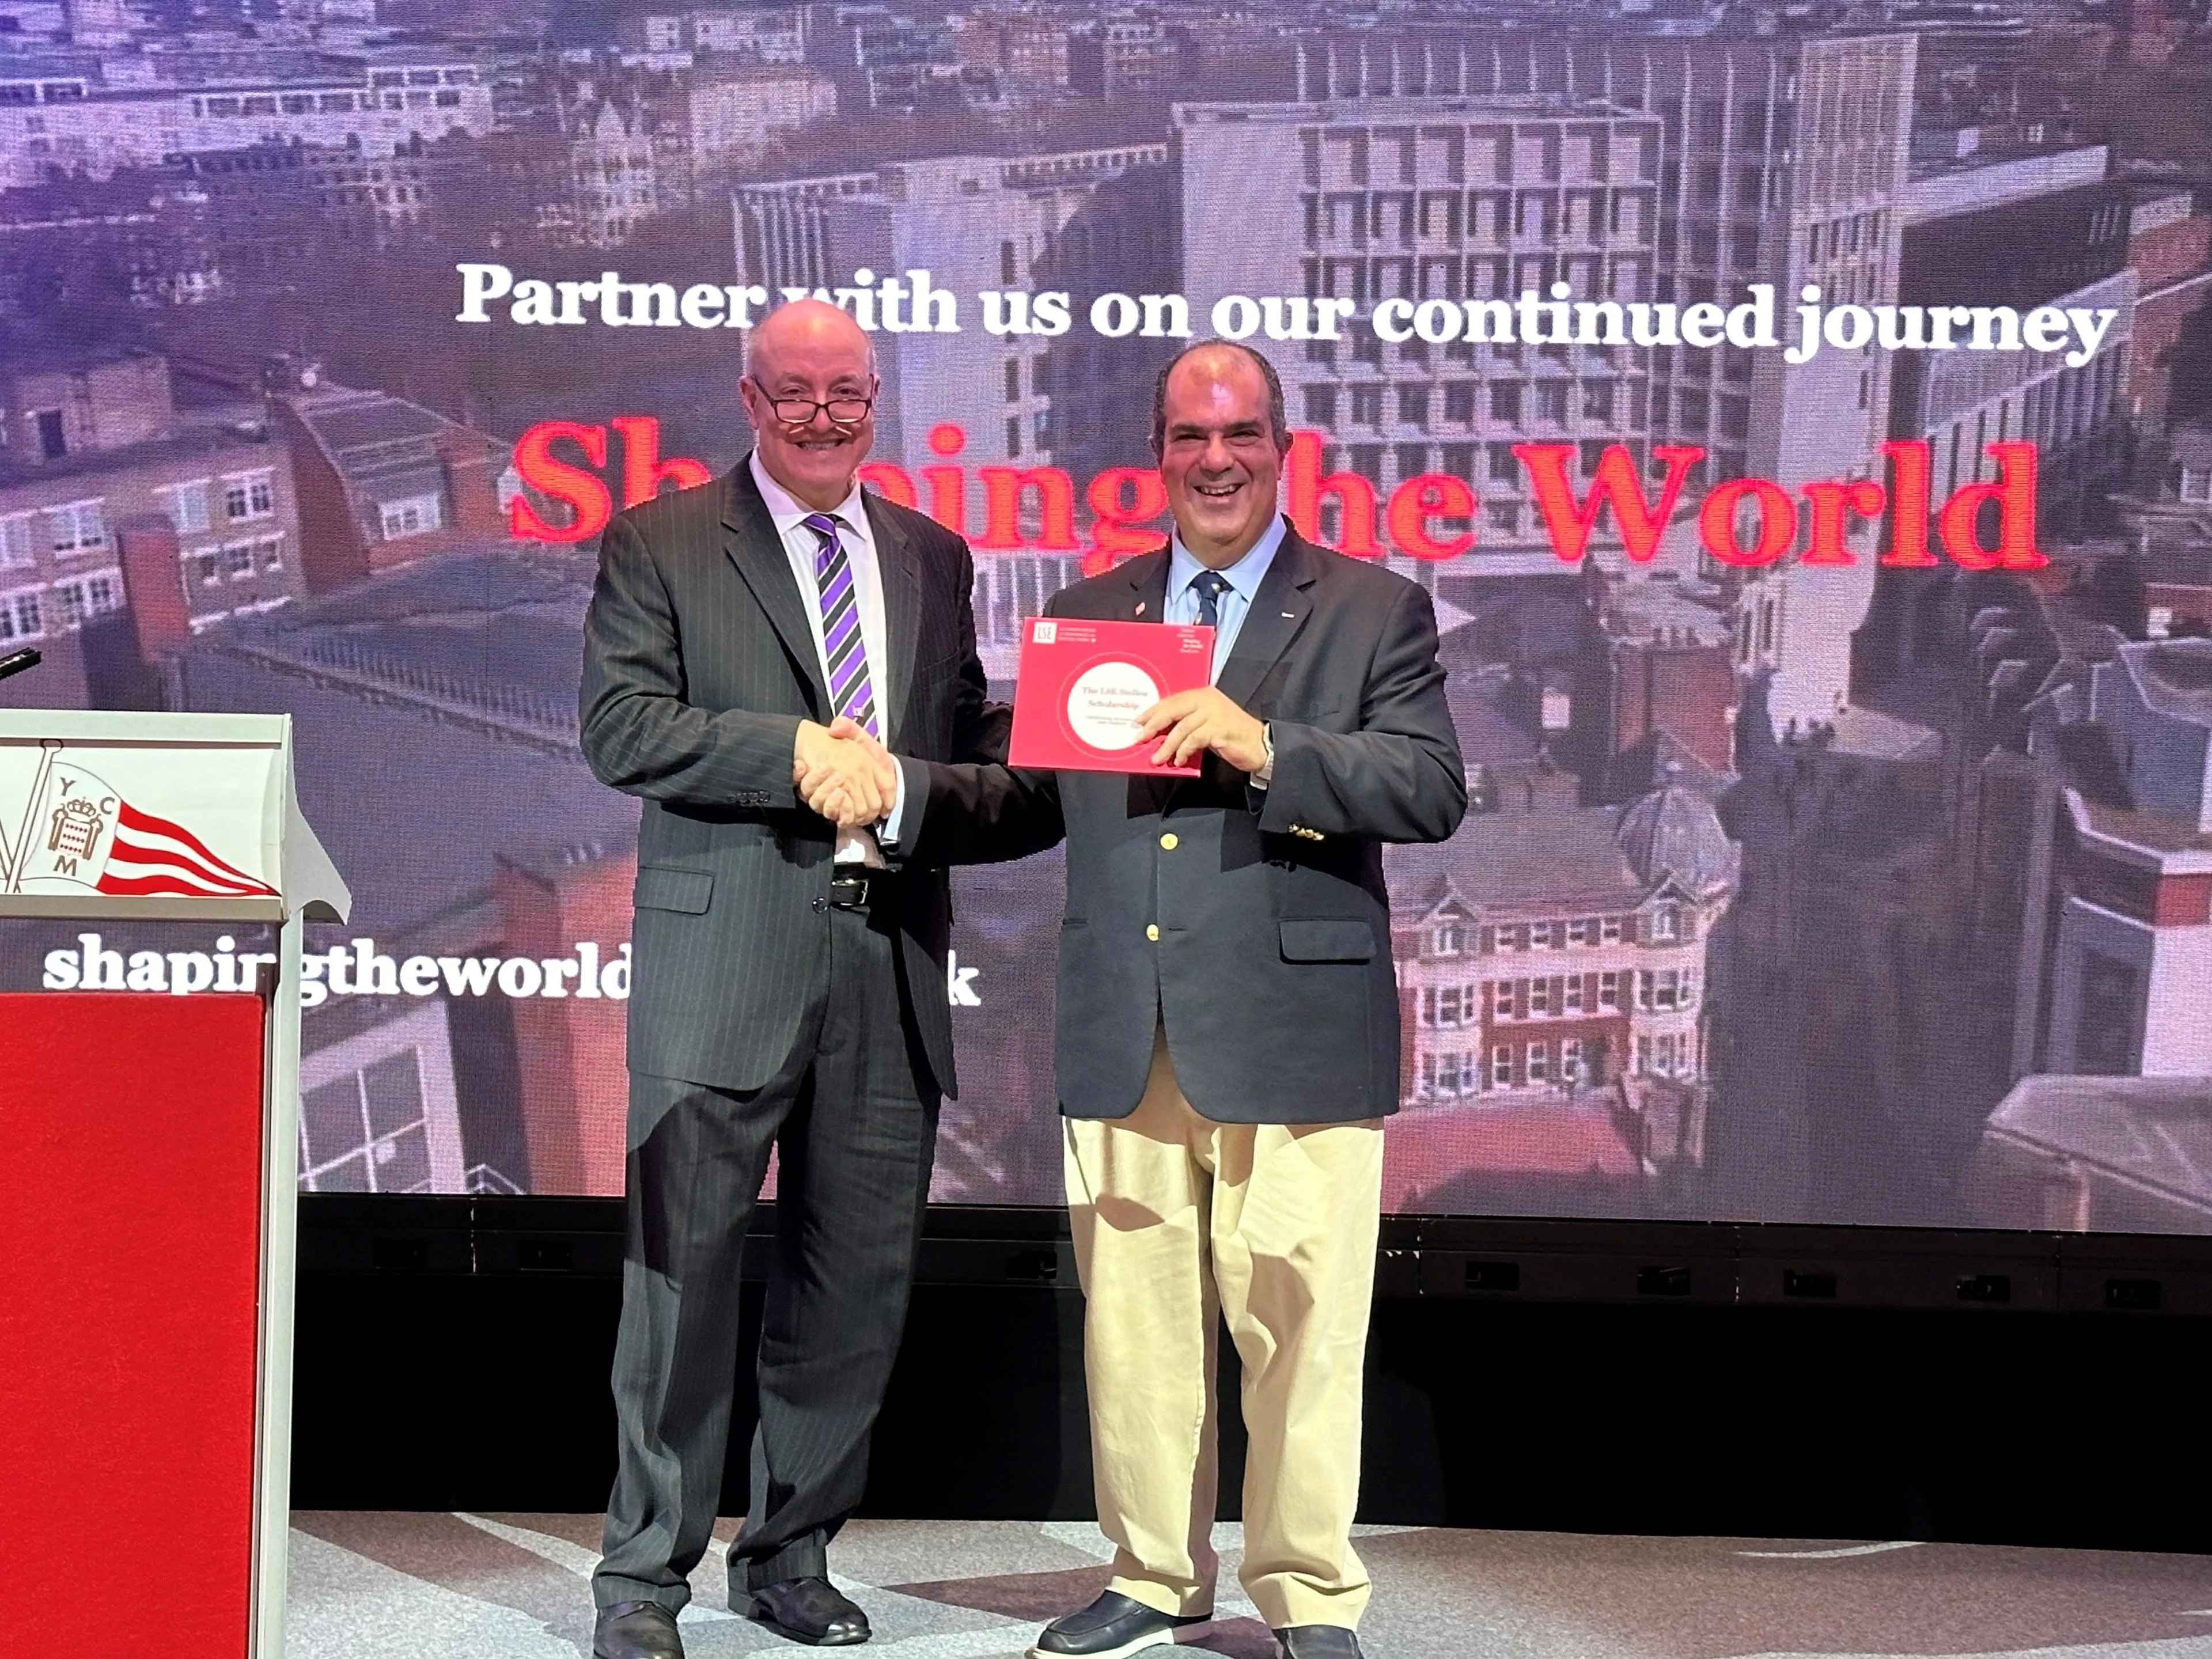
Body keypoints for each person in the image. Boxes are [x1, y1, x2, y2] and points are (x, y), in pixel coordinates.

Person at [884, 340, 1465, 1659]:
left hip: (1296, 1031)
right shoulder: (1097, 613)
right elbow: (1033, 796)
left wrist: (1266, 746)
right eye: (1191, 437)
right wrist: (906, 790)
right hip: (1123, 1023)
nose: (1217, 460)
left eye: (1242, 434)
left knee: (1302, 1331)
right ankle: (1152, 1576)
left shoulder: (1374, 610)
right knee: (1137, 1337)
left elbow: (1429, 789)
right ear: (1158, 452)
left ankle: (1309, 1596)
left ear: (1281, 447)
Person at [578, 297, 1005, 1659]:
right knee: (681, 1283)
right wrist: (793, 754)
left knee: (853, 1279)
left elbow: (974, 740)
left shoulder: (936, 556)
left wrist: (1101, 726)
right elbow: (624, 726)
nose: (824, 415)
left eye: (848, 393)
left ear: (874, 401)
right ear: (750, 400)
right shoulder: (659, 539)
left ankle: (790, 1557)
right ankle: (644, 1580)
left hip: (886, 956)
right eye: (796, 393)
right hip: (726, 961)